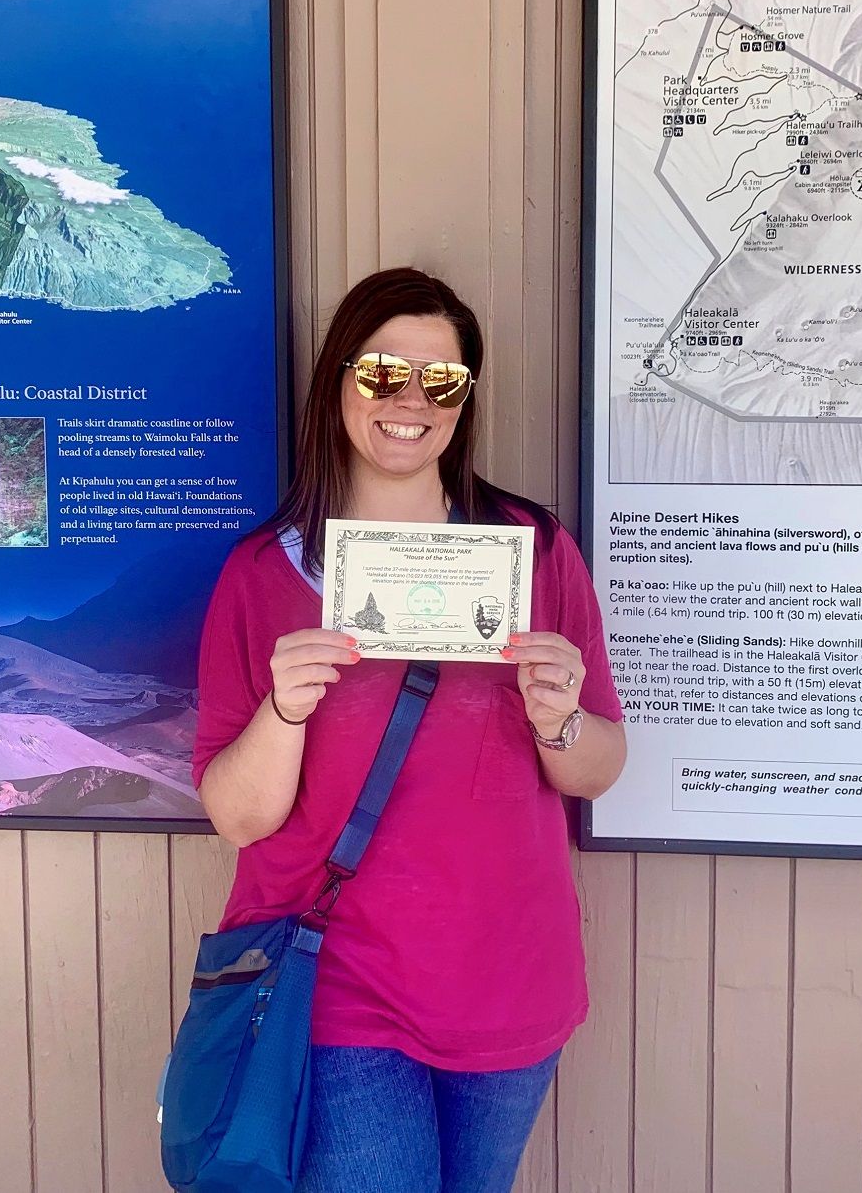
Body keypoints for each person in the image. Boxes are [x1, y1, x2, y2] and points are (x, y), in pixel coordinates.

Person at [193, 267, 626, 1193]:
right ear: (337, 381)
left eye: (441, 382)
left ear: (465, 400)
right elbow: (237, 818)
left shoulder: (539, 550)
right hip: (337, 978)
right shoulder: (260, 574)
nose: (408, 402)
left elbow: (598, 769)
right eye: (382, 372)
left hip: (510, 973)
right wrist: (286, 710)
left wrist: (559, 720)